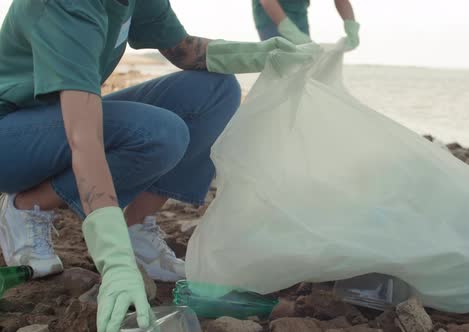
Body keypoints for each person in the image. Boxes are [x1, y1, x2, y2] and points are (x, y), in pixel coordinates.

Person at [0, 1, 314, 331]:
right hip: (11, 138)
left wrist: (264, 54)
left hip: (55, 121)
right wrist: (115, 261)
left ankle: (137, 229)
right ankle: (27, 206)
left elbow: (185, 53)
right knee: (159, 133)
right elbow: (85, 139)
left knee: (215, 90)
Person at [252, 0, 360, 50]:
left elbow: (342, 1)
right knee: (282, 66)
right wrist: (289, 30)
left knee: (305, 65)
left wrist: (352, 28)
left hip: (299, 12)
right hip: (270, 14)